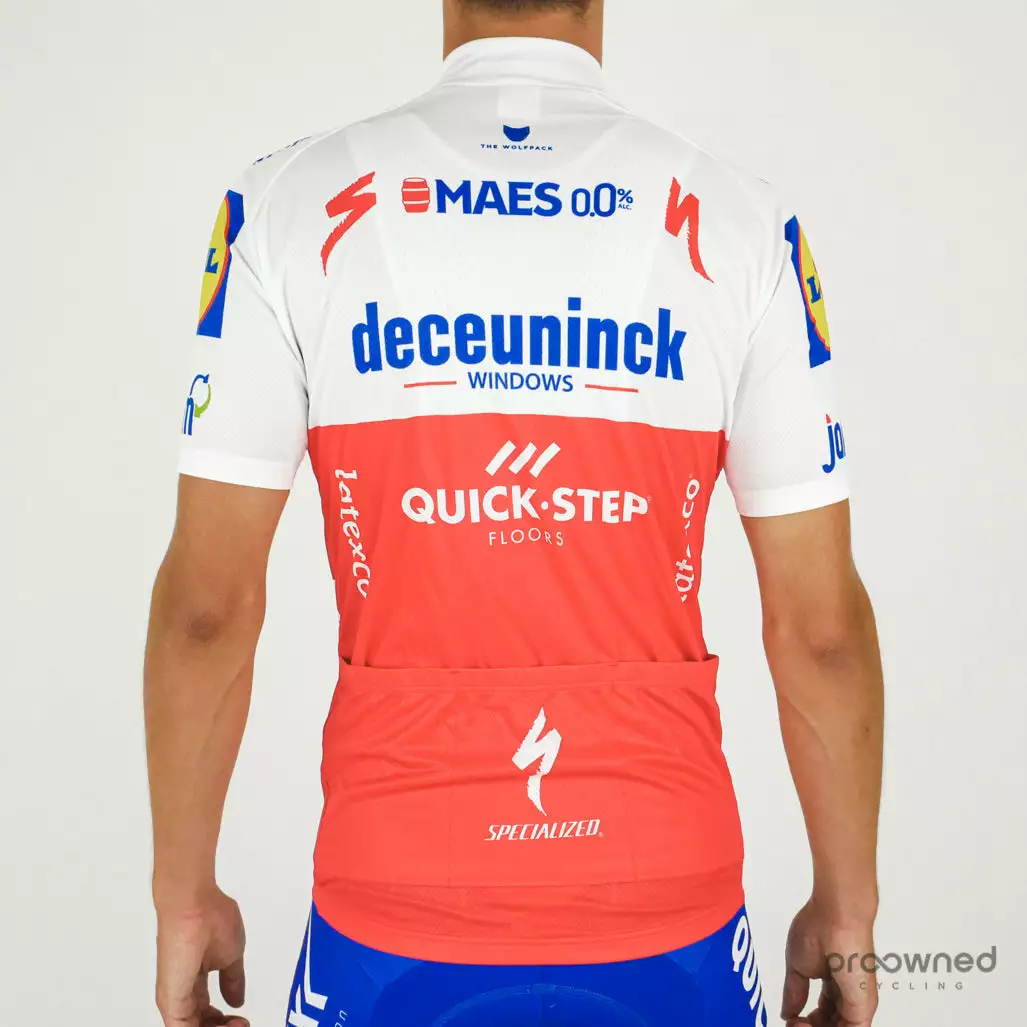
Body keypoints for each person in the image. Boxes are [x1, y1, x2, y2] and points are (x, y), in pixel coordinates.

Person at [144, 1, 885, 1024]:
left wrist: (183, 898)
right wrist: (847, 910)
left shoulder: (285, 203)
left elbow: (207, 611)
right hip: (666, 893)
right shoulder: (742, 220)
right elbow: (820, 629)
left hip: (393, 900)